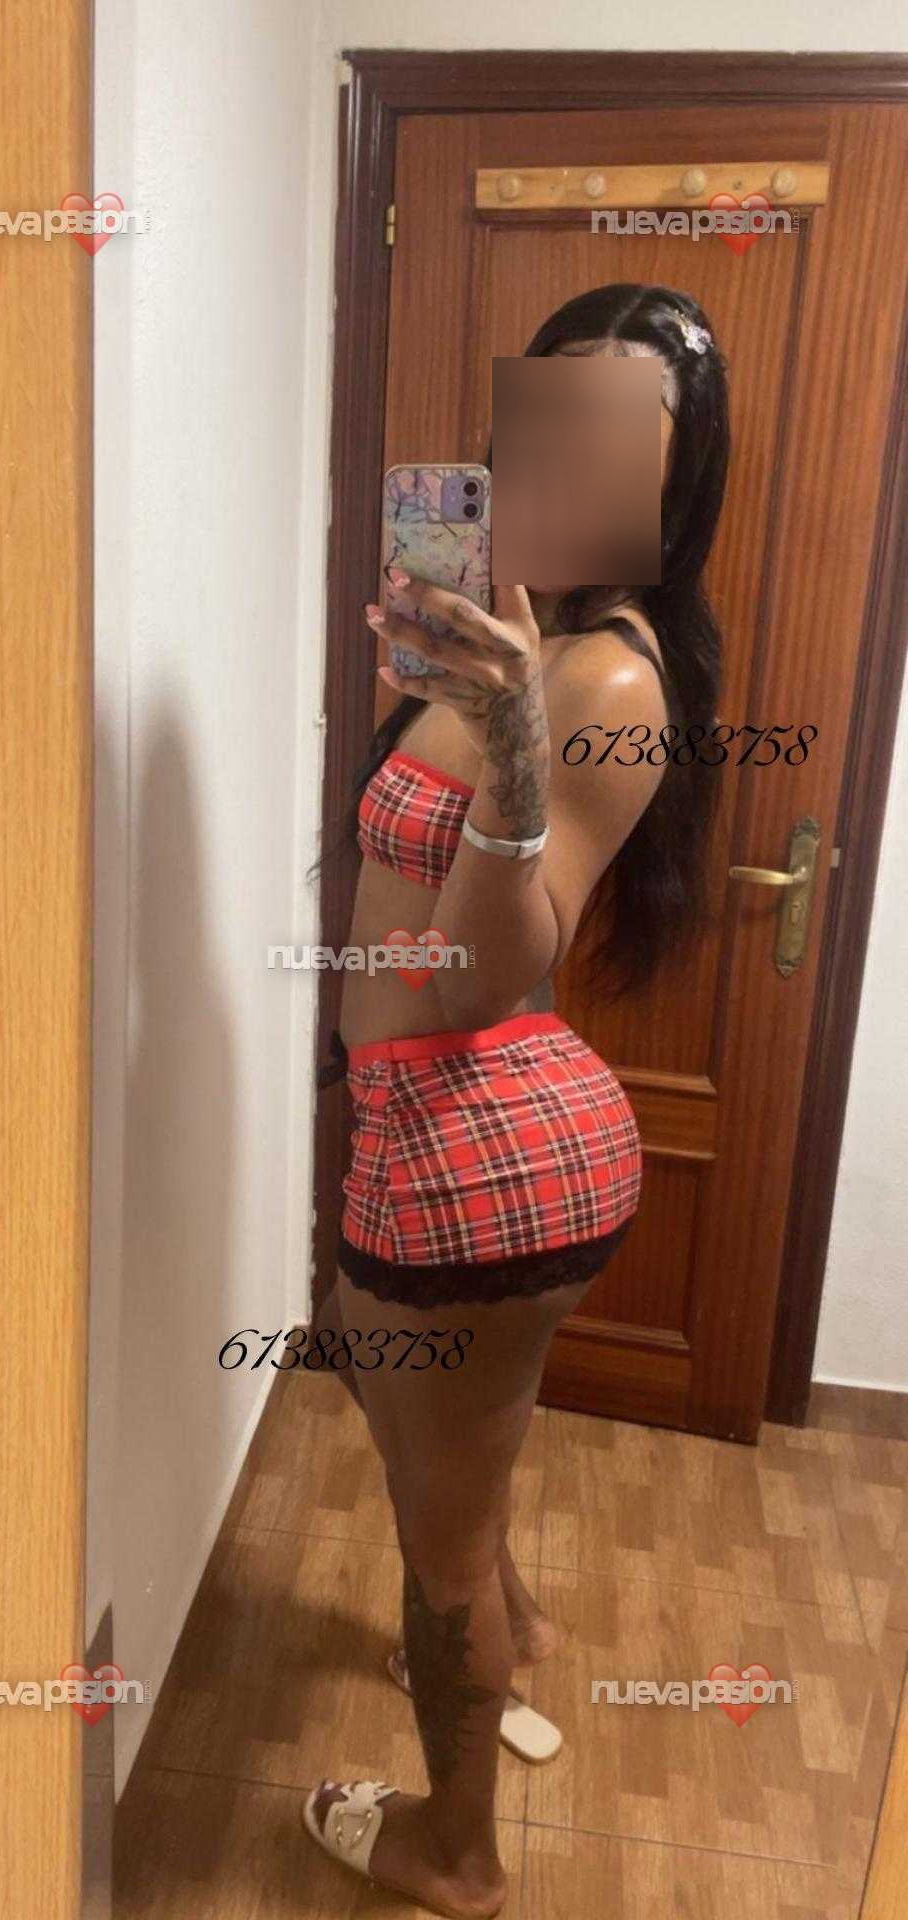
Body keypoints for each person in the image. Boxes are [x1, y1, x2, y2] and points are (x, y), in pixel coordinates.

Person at [302, 283, 730, 1919]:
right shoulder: (518, 630)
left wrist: (506, 729)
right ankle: (520, 1626)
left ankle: (457, 1850)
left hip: (474, 1159)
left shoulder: (604, 688)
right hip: (446, 1130)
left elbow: (485, 972)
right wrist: (474, 684)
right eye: (551, 412)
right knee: (409, 1410)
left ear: (679, 479)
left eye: (625, 429)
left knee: (437, 1542)